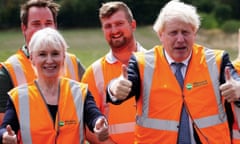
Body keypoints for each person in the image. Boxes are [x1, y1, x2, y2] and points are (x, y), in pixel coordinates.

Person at [107, 0, 240, 143]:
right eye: (173, 33)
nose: (180, 39)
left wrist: (238, 89)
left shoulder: (217, 60)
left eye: (185, 32)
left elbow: (234, 82)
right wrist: (114, 88)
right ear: (161, 35)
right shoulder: (142, 63)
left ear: (194, 33)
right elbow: (124, 85)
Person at [0, 27, 109, 144]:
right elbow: (5, 128)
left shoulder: (80, 92)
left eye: (55, 54)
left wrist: (99, 124)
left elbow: (94, 116)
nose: (49, 60)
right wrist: (5, 136)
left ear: (63, 58)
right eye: (42, 54)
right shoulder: (18, 97)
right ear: (32, 59)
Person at [0, 0, 85, 124]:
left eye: (48, 23)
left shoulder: (73, 63)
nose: (43, 29)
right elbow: (4, 129)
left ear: (55, 27)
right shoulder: (7, 72)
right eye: (36, 24)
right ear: (24, 28)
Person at [81, 1, 146, 143]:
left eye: (119, 23)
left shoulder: (156, 62)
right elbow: (88, 127)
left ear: (133, 25)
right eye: (108, 26)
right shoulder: (93, 73)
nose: (114, 30)